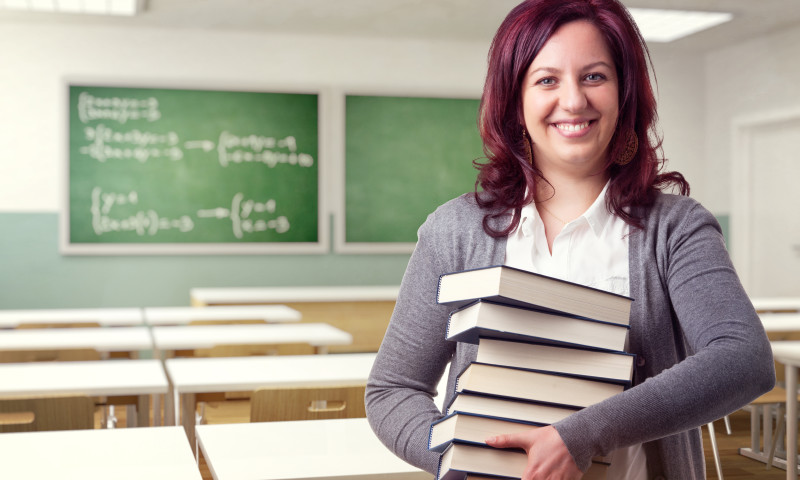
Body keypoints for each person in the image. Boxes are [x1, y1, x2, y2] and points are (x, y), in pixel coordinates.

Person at [365, 0, 775, 478]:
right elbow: (392, 390)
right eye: (546, 80)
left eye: (595, 76)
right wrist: (465, 463)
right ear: (515, 102)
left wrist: (578, 436)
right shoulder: (453, 231)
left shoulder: (675, 228)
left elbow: (742, 358)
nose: (574, 100)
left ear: (624, 95)